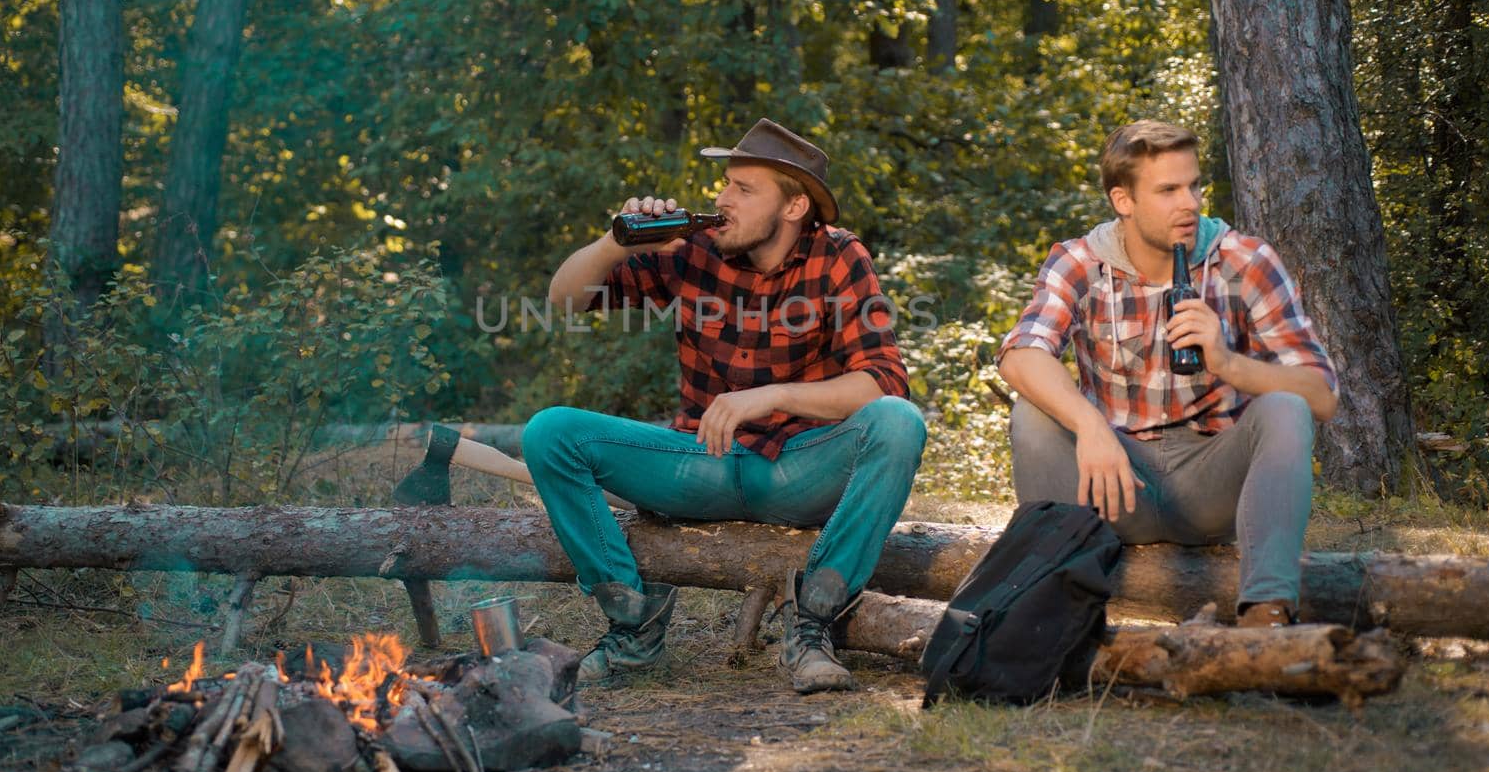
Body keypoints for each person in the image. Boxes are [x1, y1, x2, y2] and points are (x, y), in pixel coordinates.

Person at [522, 118, 927, 693]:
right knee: (550, 432)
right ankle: (633, 628)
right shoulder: (693, 249)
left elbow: (883, 382)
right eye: (725, 183)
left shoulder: (838, 256)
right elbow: (564, 299)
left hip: (795, 468)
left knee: (898, 423)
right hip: (700, 463)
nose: (721, 198)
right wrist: (619, 240)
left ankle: (813, 622)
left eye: (743, 188)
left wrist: (774, 395)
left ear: (793, 207)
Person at [996, 119, 1338, 627]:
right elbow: (1021, 354)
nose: (1190, 203)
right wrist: (1090, 427)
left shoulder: (1243, 261)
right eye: (1168, 190)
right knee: (1034, 413)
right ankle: (1054, 618)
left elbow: (1322, 395)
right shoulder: (1082, 263)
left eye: (1195, 185)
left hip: (1211, 486)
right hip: (1114, 483)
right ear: (1123, 200)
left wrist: (1227, 361)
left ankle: (1266, 617)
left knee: (1286, 406)